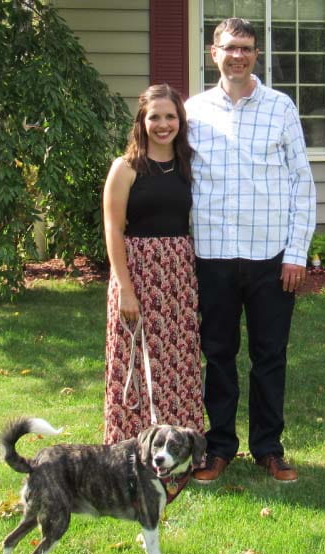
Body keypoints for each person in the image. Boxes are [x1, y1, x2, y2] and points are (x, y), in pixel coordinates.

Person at [185, 18, 316, 482]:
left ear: (255, 54)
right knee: (217, 354)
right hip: (213, 256)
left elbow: (302, 183)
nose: (237, 56)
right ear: (212, 52)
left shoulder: (280, 107)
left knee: (270, 355)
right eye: (229, 48)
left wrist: (296, 253)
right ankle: (218, 447)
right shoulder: (193, 111)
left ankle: (268, 448)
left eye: (246, 48)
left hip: (270, 258)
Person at [102, 84, 204, 443]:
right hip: (138, 272)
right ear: (141, 122)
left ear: (180, 120)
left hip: (178, 274)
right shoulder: (126, 168)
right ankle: (128, 444)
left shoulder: (188, 165)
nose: (163, 124)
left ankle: (179, 445)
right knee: (132, 356)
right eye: (155, 117)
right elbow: (113, 229)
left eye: (170, 116)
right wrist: (125, 290)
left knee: (179, 360)